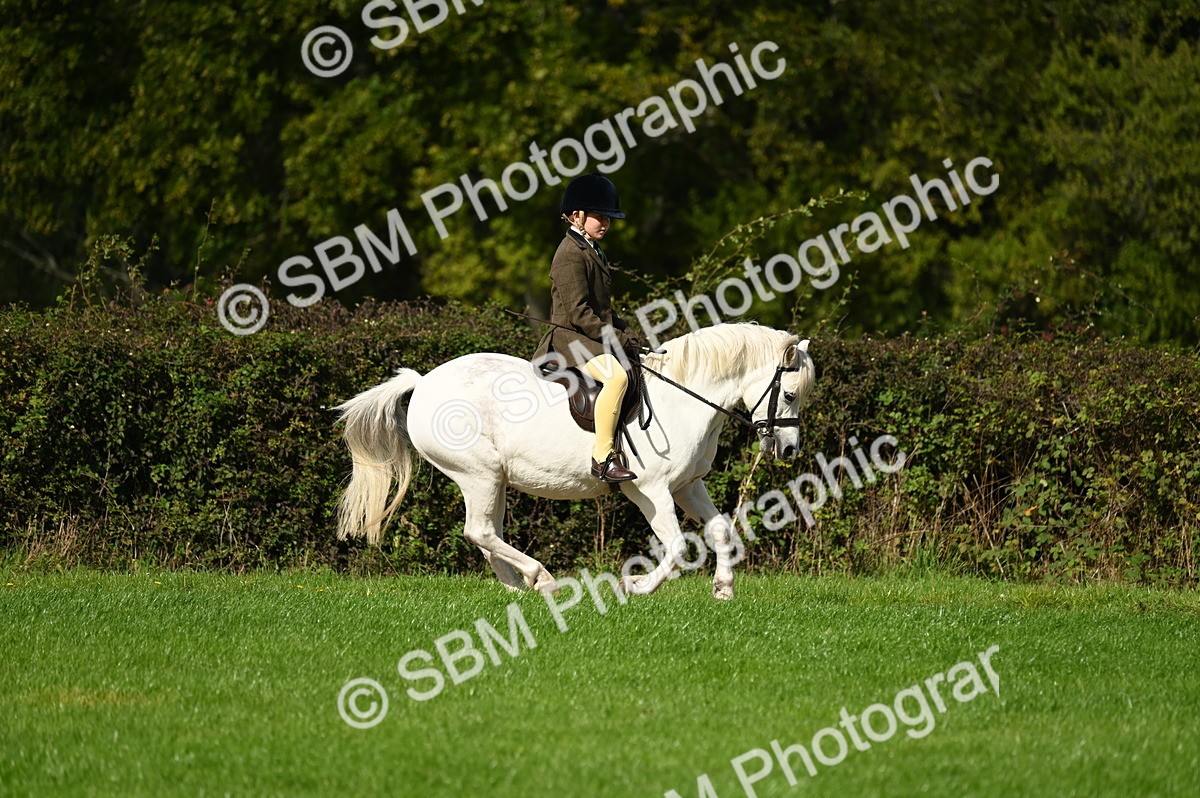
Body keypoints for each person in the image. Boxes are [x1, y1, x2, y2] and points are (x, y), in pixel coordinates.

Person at [532, 173, 641, 482]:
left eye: (608, 218)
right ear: (577, 215)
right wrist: (615, 339)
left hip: (588, 336)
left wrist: (627, 332)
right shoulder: (569, 254)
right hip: (571, 340)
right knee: (616, 377)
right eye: (599, 216)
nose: (605, 223)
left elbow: (602, 308)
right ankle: (603, 457)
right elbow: (580, 313)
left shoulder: (592, 249)